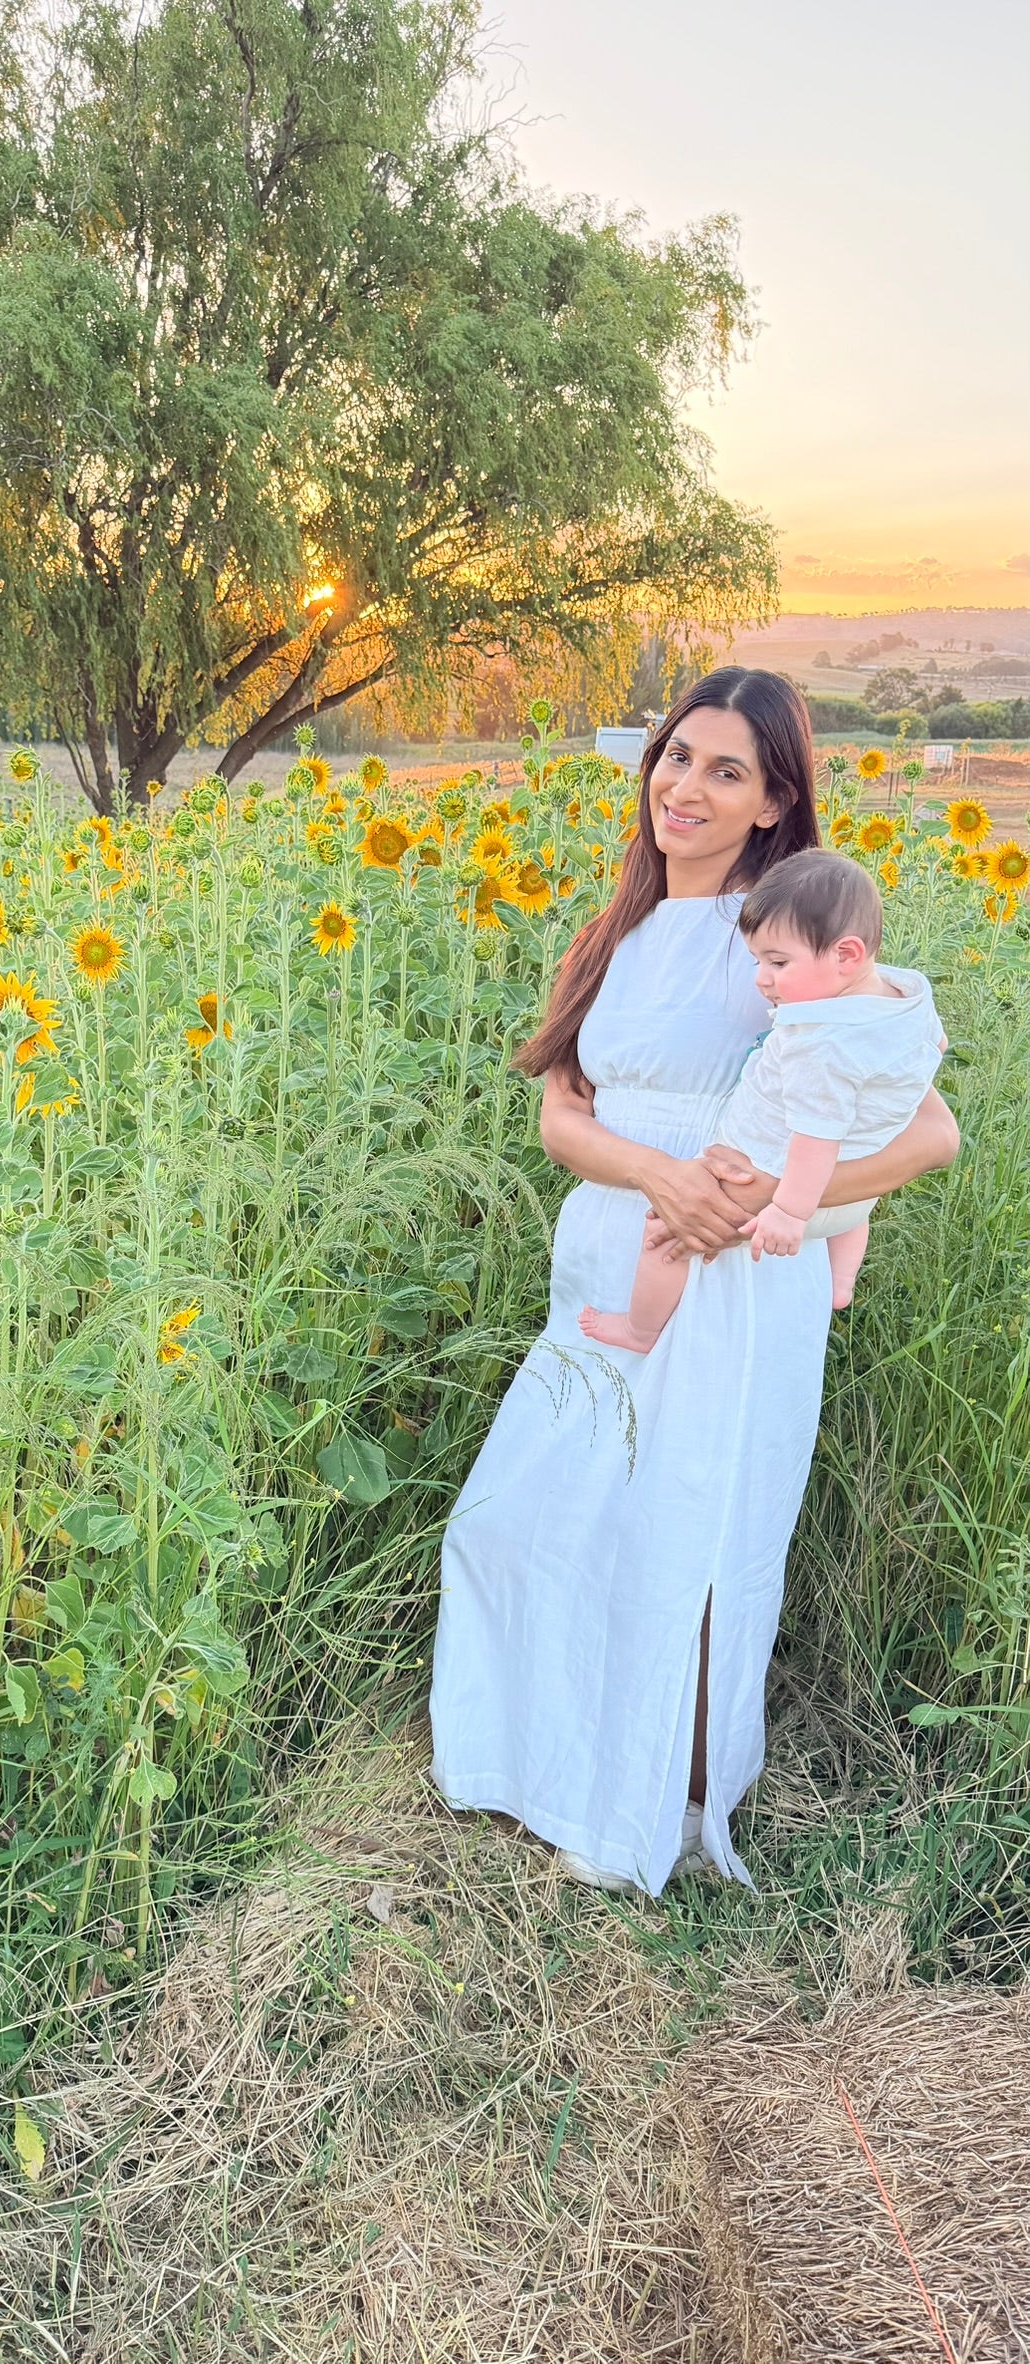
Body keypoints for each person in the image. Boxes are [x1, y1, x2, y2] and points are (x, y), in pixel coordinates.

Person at [427, 669, 959, 1896]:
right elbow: (563, 1120)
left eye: (728, 771)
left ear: (774, 802)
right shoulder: (610, 932)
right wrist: (661, 1176)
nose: (687, 788)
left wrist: (769, 1208)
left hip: (730, 1278)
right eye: (677, 756)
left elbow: (928, 1133)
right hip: (613, 1255)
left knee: (685, 1537)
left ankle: (654, 1803)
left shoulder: (783, 943)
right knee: (530, 1514)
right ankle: (539, 1762)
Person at [576, 851, 947, 1357]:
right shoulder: (906, 996)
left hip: (774, 1182)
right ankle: (841, 1281)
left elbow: (816, 1139)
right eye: (758, 961)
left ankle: (639, 1330)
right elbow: (936, 1045)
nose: (761, 978)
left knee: (667, 1236)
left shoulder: (820, 1043)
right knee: (854, 1194)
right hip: (856, 1200)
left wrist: (789, 1212)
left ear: (846, 955)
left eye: (777, 962)